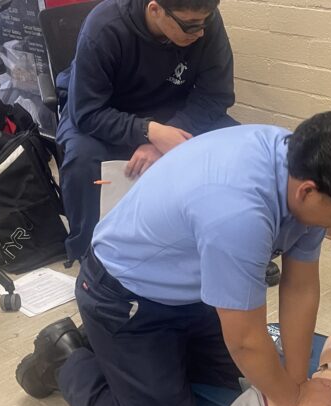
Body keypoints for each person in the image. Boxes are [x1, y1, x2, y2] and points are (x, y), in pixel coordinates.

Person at [15, 107, 331, 406]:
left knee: (244, 385)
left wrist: (297, 383)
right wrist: (294, 400)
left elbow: (300, 286)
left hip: (193, 290)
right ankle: (66, 356)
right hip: (122, 296)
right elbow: (244, 340)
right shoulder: (239, 213)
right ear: (308, 192)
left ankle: (114, 350)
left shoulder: (308, 167)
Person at [56, 0, 242, 267]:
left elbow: (216, 96)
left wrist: (162, 140)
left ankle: (233, 245)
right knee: (82, 159)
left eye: (205, 22)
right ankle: (91, 257)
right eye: (190, 26)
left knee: (237, 148)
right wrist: (147, 131)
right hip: (104, 111)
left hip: (171, 111)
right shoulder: (104, 28)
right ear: (155, 10)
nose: (200, 32)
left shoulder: (201, 19)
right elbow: (87, 112)